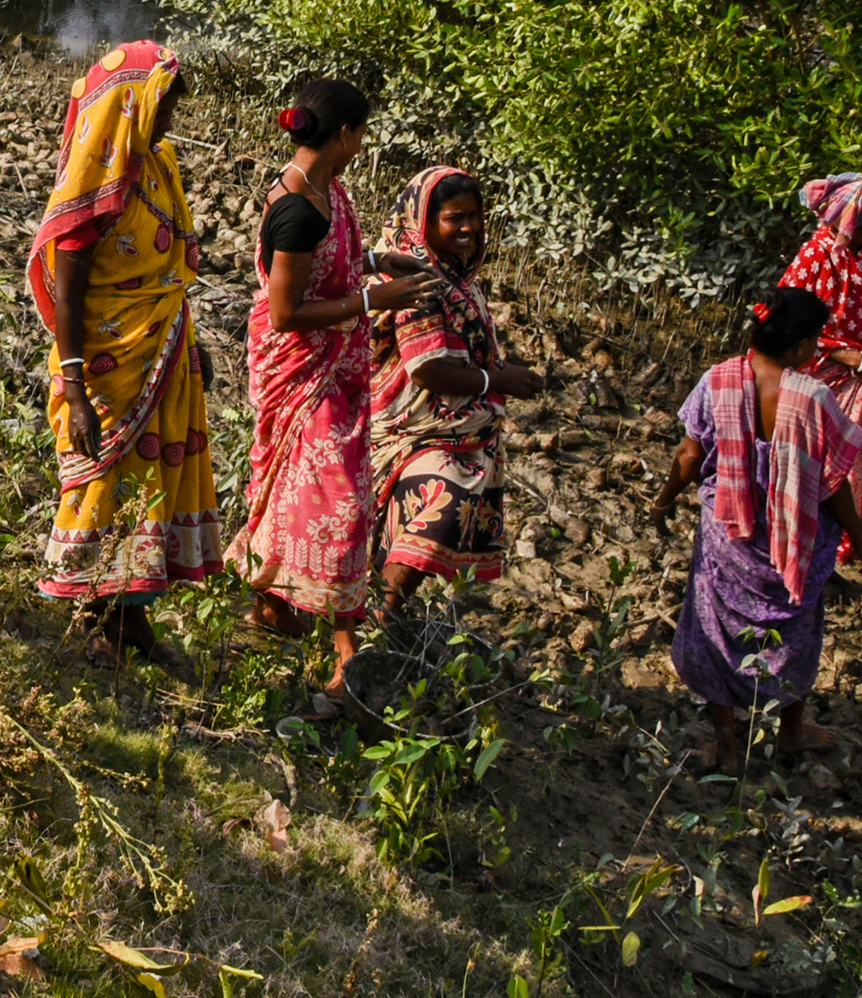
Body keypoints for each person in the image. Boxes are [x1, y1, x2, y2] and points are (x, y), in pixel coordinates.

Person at [29, 39, 222, 661]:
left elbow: (169, 271)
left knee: (151, 479)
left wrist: (191, 344)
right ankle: (93, 616)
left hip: (161, 346)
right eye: (161, 109)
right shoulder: (94, 191)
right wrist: (77, 393)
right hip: (107, 365)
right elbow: (68, 297)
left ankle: (131, 617)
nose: (168, 122)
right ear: (127, 107)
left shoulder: (157, 165)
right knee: (105, 484)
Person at [237, 76, 428, 696]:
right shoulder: (296, 208)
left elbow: (329, 264)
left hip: (333, 370)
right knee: (343, 504)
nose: (362, 144)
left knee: (298, 488)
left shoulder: (326, 189)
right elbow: (287, 311)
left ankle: (273, 604)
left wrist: (375, 263)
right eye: (361, 133)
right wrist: (374, 299)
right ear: (345, 133)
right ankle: (346, 650)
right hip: (302, 368)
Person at [649, 287, 862, 774]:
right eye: (816, 340)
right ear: (801, 346)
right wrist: (861, 536)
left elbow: (689, 454)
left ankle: (727, 745)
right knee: (795, 633)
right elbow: (833, 482)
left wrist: (664, 500)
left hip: (729, 537)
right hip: (793, 542)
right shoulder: (814, 398)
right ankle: (790, 730)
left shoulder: (716, 381)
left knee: (718, 630)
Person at [370, 164, 542, 609]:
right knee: (444, 504)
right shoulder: (419, 279)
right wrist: (497, 380)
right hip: (409, 426)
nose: (468, 228)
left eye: (474, 216)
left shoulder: (453, 276)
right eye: (454, 218)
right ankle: (382, 612)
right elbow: (425, 368)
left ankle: (382, 612)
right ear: (423, 222)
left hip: (448, 425)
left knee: (430, 519)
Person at [777, 170, 862, 565]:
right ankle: (808, 555)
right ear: (853, 220)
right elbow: (785, 329)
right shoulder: (816, 258)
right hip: (819, 385)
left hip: (859, 382)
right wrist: (859, 360)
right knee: (822, 471)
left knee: (846, 468)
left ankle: (831, 556)